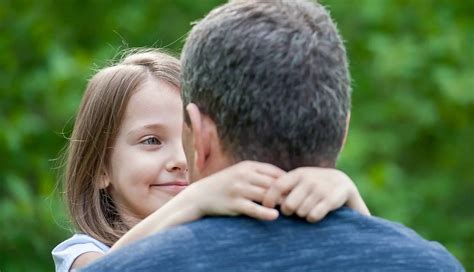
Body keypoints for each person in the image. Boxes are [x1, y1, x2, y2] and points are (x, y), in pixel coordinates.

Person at [82, 0, 464, 271]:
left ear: (199, 136)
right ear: (342, 132)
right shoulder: (433, 263)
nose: (177, 160)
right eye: (150, 140)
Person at [52, 49, 371, 272]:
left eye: (189, 139)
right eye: (152, 141)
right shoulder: (82, 252)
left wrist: (349, 196)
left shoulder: (223, 233)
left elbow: (380, 259)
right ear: (100, 168)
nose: (179, 160)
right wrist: (194, 198)